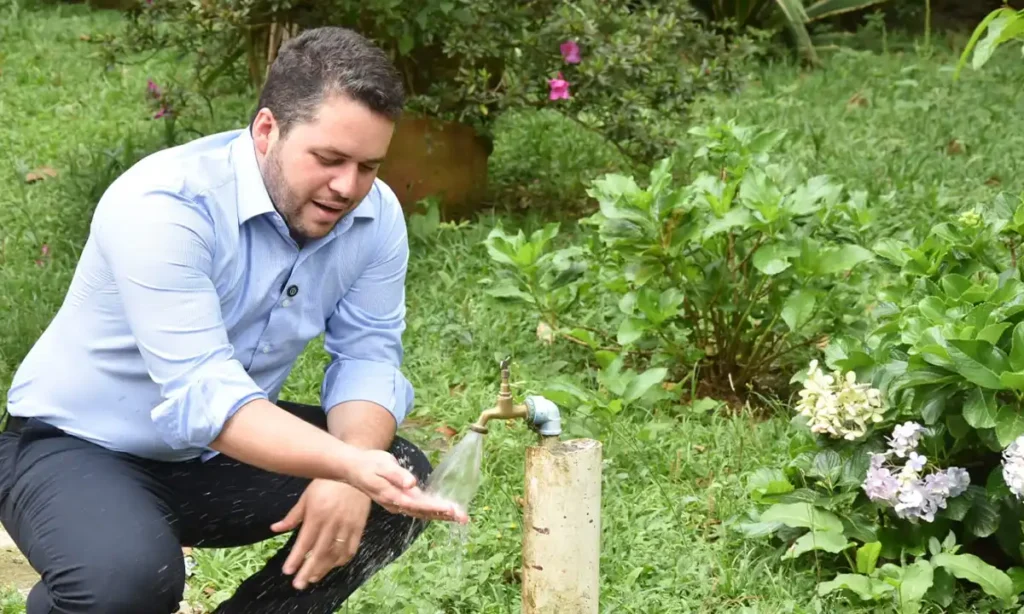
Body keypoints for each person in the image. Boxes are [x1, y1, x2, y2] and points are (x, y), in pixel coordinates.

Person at [0, 25, 467, 614]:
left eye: (368, 166)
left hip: (211, 458)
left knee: (395, 482)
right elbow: (206, 395)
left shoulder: (374, 216)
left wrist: (353, 473)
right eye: (328, 159)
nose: (348, 187)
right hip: (75, 447)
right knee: (124, 580)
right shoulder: (166, 205)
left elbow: (368, 356)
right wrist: (347, 465)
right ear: (267, 130)